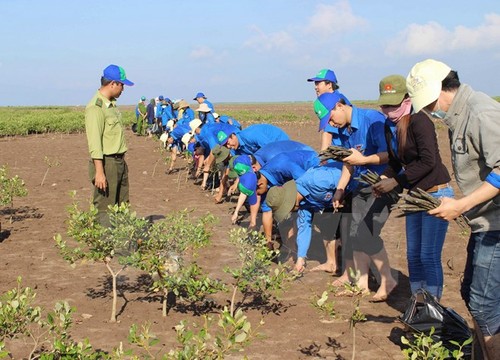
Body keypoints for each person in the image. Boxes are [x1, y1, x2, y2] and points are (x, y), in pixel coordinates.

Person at [406, 59, 500, 358]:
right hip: (483, 221)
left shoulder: (480, 113)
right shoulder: (457, 116)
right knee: (472, 295)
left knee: (484, 305)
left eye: (430, 102)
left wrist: (459, 205)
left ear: (442, 89)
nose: (430, 110)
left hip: (496, 224)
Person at [372, 75, 453, 301]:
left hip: (435, 193)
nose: (390, 110)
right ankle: (418, 303)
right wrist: (383, 179)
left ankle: (432, 305)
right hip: (415, 196)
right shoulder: (391, 127)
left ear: (407, 99)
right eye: (386, 105)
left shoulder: (420, 120)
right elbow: (396, 162)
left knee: (428, 255)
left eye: (394, 105)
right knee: (413, 256)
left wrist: (396, 181)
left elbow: (428, 161)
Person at [315, 91, 398, 302]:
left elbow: (391, 154)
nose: (331, 123)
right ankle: (361, 284)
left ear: (340, 106)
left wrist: (363, 160)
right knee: (354, 233)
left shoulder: (373, 121)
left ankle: (388, 279)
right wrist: (340, 189)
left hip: (383, 183)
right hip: (361, 185)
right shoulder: (346, 130)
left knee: (366, 232)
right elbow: (349, 163)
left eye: (331, 117)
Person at [266, 163, 342, 272]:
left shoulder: (317, 180)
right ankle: (331, 263)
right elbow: (304, 228)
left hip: (355, 189)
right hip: (333, 204)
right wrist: (300, 258)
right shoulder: (302, 206)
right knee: (326, 223)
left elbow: (347, 175)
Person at [85, 64, 133, 227]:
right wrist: (99, 172)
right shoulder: (95, 107)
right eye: (122, 85)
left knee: (122, 204)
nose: (123, 89)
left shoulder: (111, 105)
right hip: (107, 163)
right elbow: (95, 142)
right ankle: (105, 248)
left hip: (119, 162)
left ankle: (120, 247)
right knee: (105, 208)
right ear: (113, 83)